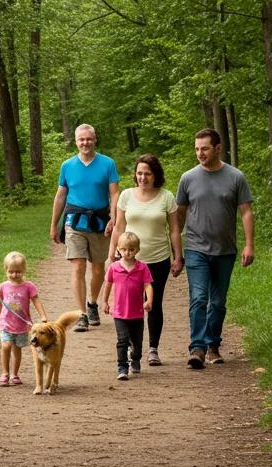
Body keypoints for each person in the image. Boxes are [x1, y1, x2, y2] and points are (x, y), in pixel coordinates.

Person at [175, 129, 254, 369]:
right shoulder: (188, 178)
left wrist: (249, 245)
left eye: (205, 148)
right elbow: (178, 213)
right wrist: (176, 249)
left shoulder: (235, 177)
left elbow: (246, 211)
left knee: (217, 301)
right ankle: (197, 347)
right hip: (196, 248)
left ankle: (213, 344)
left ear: (218, 148)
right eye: (197, 149)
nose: (200, 153)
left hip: (225, 250)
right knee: (199, 298)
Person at [107, 153, 184, 366]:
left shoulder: (166, 197)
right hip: (129, 262)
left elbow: (175, 230)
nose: (143, 177)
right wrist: (112, 254)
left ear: (155, 175)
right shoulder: (126, 196)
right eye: (139, 173)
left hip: (158, 259)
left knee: (153, 303)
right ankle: (134, 345)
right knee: (131, 303)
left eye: (147, 173)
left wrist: (178, 257)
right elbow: (119, 227)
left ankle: (153, 349)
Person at [50, 124, 120, 332]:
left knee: (98, 268)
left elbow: (115, 193)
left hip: (100, 221)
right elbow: (61, 195)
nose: (85, 143)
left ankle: (92, 303)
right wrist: (54, 224)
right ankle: (81, 314)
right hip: (74, 222)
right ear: (76, 141)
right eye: (81, 139)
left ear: (95, 139)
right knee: (78, 266)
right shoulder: (67, 166)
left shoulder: (108, 164)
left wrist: (114, 218)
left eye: (88, 139)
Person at [103, 231, 154, 381]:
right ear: (118, 249)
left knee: (137, 343)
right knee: (122, 340)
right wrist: (105, 301)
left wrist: (149, 301)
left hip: (137, 313)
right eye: (124, 249)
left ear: (137, 250)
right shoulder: (114, 268)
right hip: (119, 313)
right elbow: (107, 285)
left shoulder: (142, 268)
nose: (128, 253)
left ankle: (135, 358)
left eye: (131, 249)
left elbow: (148, 286)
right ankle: (122, 367)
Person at [0, 251, 48, 386]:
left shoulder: (28, 286)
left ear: (23, 270)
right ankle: (5, 373)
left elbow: (36, 301)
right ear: (6, 270)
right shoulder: (3, 286)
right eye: (11, 271)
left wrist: (43, 315)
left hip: (21, 325)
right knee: (6, 346)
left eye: (18, 271)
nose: (14, 275)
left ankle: (15, 374)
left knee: (17, 349)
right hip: (6, 323)